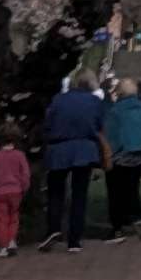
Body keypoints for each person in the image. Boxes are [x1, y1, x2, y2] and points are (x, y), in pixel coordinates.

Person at [39, 68, 109, 251]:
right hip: (84, 149)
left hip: (59, 149)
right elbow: (100, 126)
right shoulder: (95, 102)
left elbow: (47, 124)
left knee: (55, 191)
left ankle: (53, 228)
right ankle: (74, 240)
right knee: (80, 194)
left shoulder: (58, 100)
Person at [106, 71, 141, 235]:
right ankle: (137, 218)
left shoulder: (116, 109)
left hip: (119, 156)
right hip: (138, 157)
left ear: (120, 92)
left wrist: (107, 154)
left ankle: (117, 226)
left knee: (115, 191)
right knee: (132, 189)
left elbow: (111, 133)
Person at [0, 131, 31, 257]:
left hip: (0, 192)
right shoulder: (20, 155)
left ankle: (3, 246)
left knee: (1, 220)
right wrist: (24, 188)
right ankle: (11, 240)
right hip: (16, 191)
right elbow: (25, 174)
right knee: (14, 218)